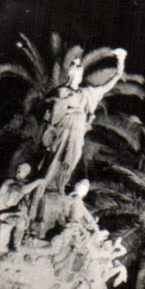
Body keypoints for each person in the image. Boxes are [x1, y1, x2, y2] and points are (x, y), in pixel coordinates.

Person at [42, 47, 128, 192]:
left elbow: (109, 84)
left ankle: (60, 186)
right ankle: (46, 185)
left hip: (78, 130)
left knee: (73, 158)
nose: (79, 75)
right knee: (56, 157)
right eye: (77, 71)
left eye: (80, 72)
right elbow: (51, 109)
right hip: (64, 129)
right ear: (71, 73)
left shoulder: (87, 93)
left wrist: (121, 61)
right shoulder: (61, 91)